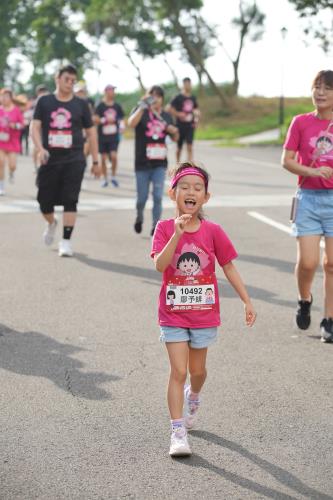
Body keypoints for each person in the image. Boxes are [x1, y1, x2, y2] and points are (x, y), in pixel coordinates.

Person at [151, 162, 256, 456]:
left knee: (197, 372)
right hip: (172, 313)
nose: (191, 192)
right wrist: (176, 233)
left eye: (198, 188)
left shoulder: (213, 231)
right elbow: (160, 264)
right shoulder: (162, 228)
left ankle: (193, 396)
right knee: (178, 370)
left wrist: (247, 300)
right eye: (184, 187)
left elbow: (229, 266)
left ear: (206, 198)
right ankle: (177, 432)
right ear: (173, 194)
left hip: (203, 315)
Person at [282, 69, 333, 343]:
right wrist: (312, 172)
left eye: (327, 88)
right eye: (317, 86)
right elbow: (286, 160)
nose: (321, 92)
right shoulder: (300, 122)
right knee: (309, 262)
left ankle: (329, 320)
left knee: (332, 264)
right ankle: (304, 299)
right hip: (308, 199)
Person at [30, 64, 100, 257]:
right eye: (66, 79)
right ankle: (51, 222)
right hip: (49, 159)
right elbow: (34, 127)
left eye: (73, 80)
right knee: (44, 202)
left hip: (74, 159)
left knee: (71, 200)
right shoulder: (44, 102)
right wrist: (40, 148)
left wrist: (95, 161)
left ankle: (66, 241)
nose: (69, 83)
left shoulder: (81, 104)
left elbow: (92, 134)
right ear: (57, 79)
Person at [128, 85, 179, 236]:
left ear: (162, 99)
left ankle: (155, 227)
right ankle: (139, 216)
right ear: (146, 96)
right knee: (141, 199)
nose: (155, 98)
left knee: (157, 196)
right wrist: (142, 107)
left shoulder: (166, 116)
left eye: (158, 95)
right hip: (142, 164)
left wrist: (173, 131)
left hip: (159, 164)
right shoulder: (140, 111)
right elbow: (131, 124)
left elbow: (176, 137)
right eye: (152, 95)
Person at [94, 84, 124, 187]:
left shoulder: (117, 106)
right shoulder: (100, 106)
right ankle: (105, 178)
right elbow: (95, 119)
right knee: (103, 158)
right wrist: (105, 120)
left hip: (114, 136)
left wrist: (121, 125)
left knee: (114, 156)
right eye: (111, 90)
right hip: (102, 136)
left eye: (114, 90)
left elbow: (121, 118)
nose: (113, 92)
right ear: (106, 91)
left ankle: (114, 176)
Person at [169, 78, 200, 163]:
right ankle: (178, 164)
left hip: (190, 125)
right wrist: (178, 114)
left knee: (190, 146)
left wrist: (197, 118)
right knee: (179, 147)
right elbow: (169, 109)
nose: (188, 86)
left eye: (189, 84)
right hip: (180, 125)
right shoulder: (178, 97)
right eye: (186, 84)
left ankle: (190, 165)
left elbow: (196, 109)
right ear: (183, 85)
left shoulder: (193, 97)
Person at [0, 89, 24, 195]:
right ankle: (1, 186)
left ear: (11, 98)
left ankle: (11, 172)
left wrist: (15, 125)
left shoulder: (16, 110)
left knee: (12, 165)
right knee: (0, 162)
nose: (4, 98)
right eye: (2, 96)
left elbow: (22, 124)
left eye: (6, 96)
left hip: (13, 141)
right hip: (1, 141)